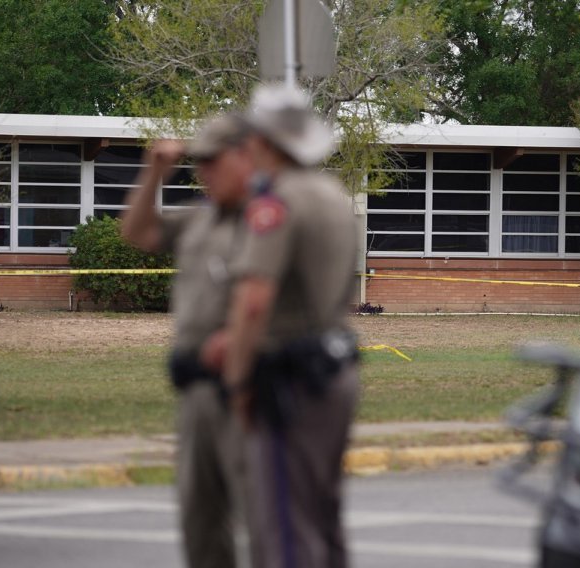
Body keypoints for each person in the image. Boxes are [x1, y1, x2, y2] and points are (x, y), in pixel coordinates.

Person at [209, 85, 360, 568]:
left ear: (262, 142)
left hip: (290, 379)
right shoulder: (335, 196)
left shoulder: (277, 203)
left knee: (285, 529)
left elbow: (253, 301)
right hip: (335, 370)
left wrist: (236, 381)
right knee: (323, 515)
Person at [120, 114, 253, 568]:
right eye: (200, 163)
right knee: (200, 517)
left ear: (246, 156)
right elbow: (137, 232)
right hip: (197, 388)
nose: (204, 173)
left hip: (248, 389)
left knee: (261, 517)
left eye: (214, 162)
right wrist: (154, 172)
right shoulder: (200, 219)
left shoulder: (270, 219)